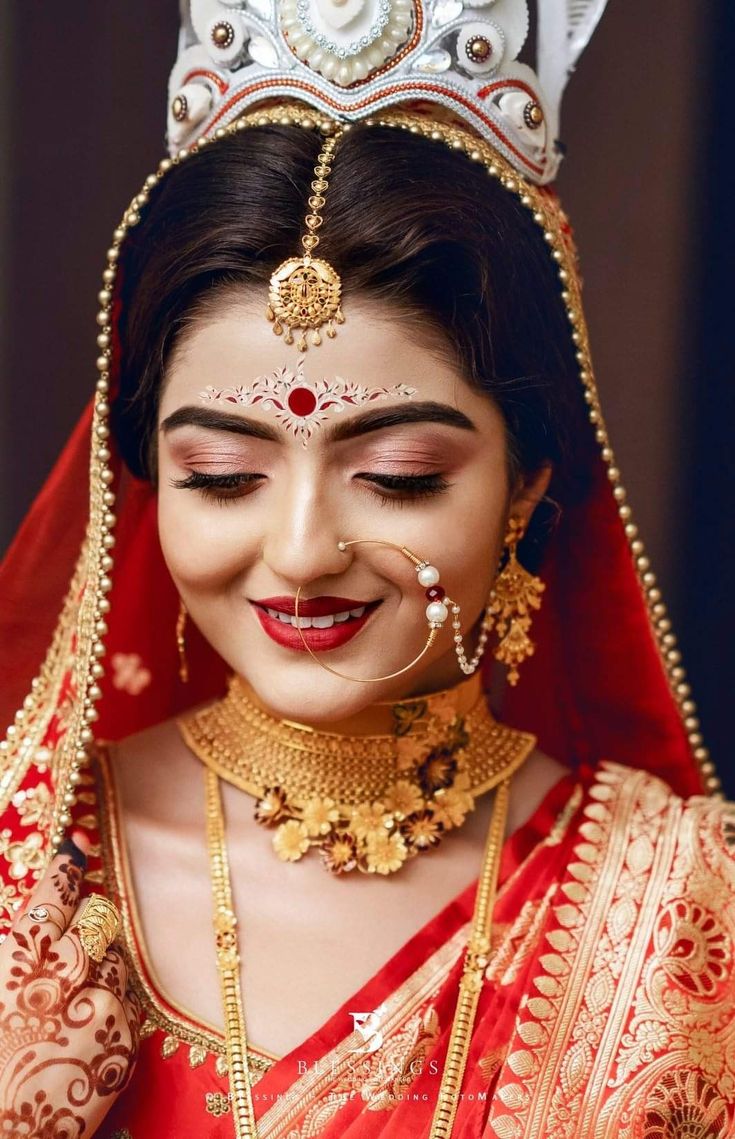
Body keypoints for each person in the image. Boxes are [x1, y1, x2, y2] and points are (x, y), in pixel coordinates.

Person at [0, 2, 733, 1137]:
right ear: (143, 476)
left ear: (528, 485)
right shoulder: (33, 872)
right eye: (222, 475)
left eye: (395, 475)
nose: (300, 552)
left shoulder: (672, 903)